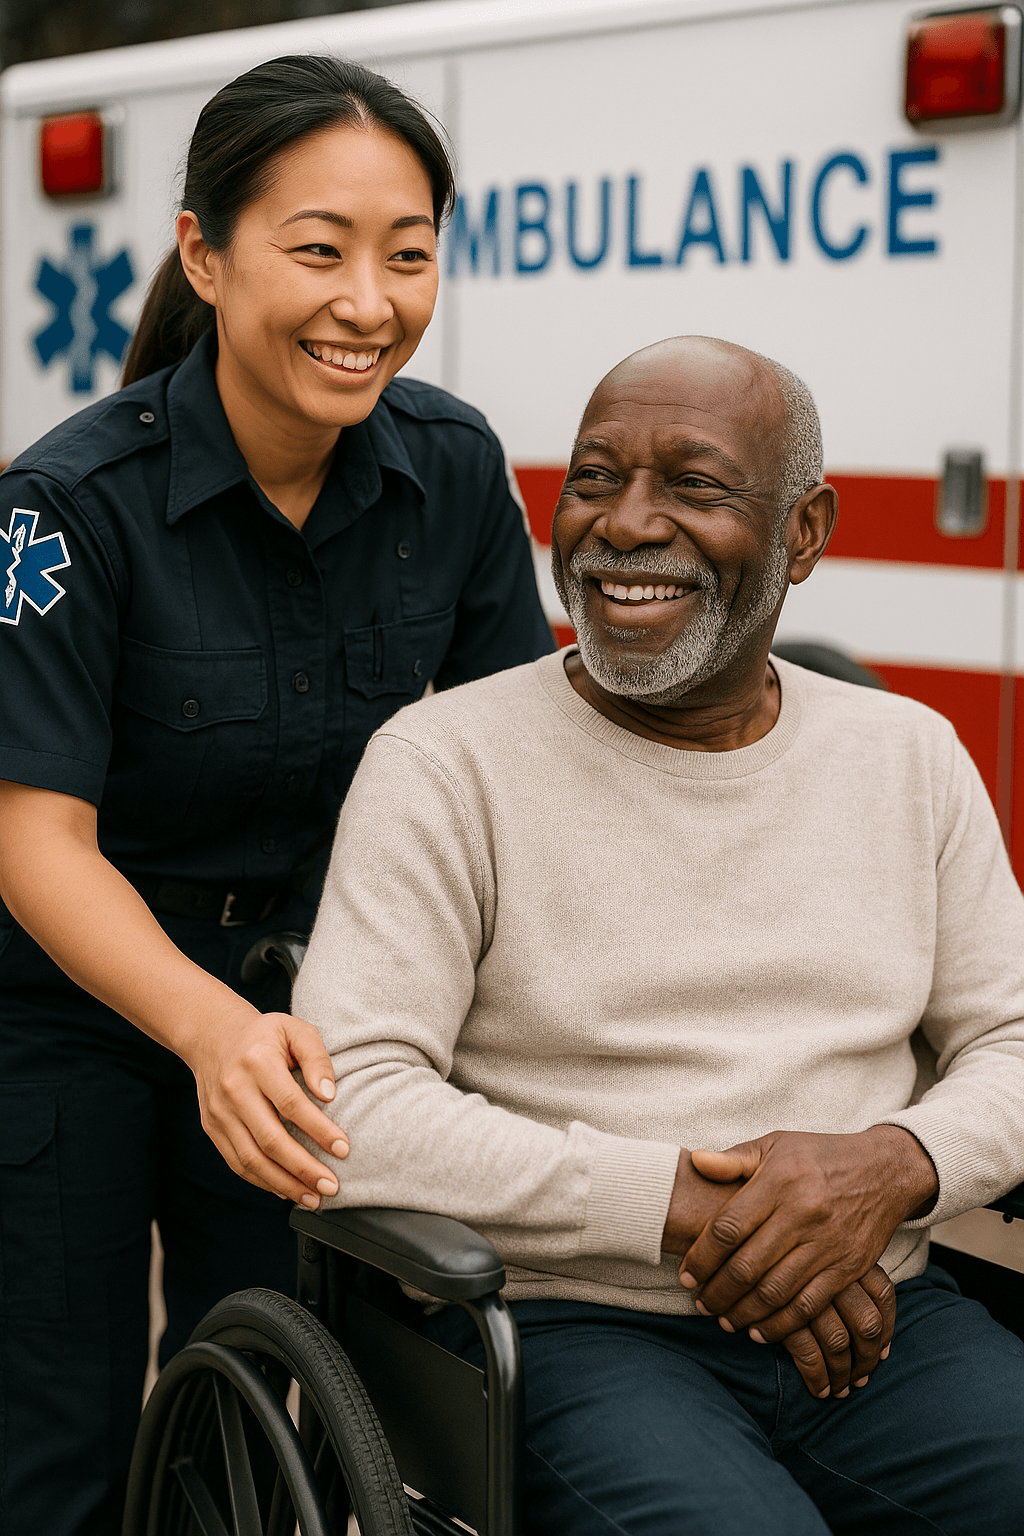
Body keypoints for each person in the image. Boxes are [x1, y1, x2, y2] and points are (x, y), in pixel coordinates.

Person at [293, 335, 1024, 1535]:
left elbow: (1006, 1040)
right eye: (593, 479)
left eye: (693, 485)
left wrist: (892, 1168)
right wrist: (682, 1204)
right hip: (573, 1329)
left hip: (877, 1317)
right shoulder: (445, 765)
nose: (625, 524)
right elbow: (354, 1107)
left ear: (803, 532)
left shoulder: (908, 756)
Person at [0, 55, 552, 1536]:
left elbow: (528, 761)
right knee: (54, 1432)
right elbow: (32, 840)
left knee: (251, 1410)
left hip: (307, 1006)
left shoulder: (450, 471)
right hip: (78, 1015)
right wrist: (207, 1031)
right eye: (318, 250)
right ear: (204, 252)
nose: (367, 301)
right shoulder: (66, 507)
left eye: (410, 253)